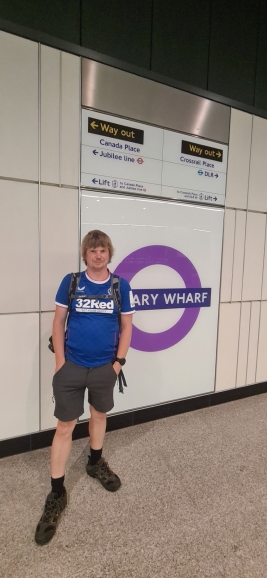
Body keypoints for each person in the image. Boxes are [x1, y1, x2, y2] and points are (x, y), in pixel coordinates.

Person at [35, 230, 135, 545]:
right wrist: (60, 363)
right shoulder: (72, 282)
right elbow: (58, 321)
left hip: (105, 367)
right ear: (85, 254)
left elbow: (127, 325)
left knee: (99, 415)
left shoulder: (121, 286)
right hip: (72, 366)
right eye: (92, 250)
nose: (98, 254)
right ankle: (56, 492)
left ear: (109, 253)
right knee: (64, 426)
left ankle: (94, 463)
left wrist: (118, 363)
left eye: (102, 249)